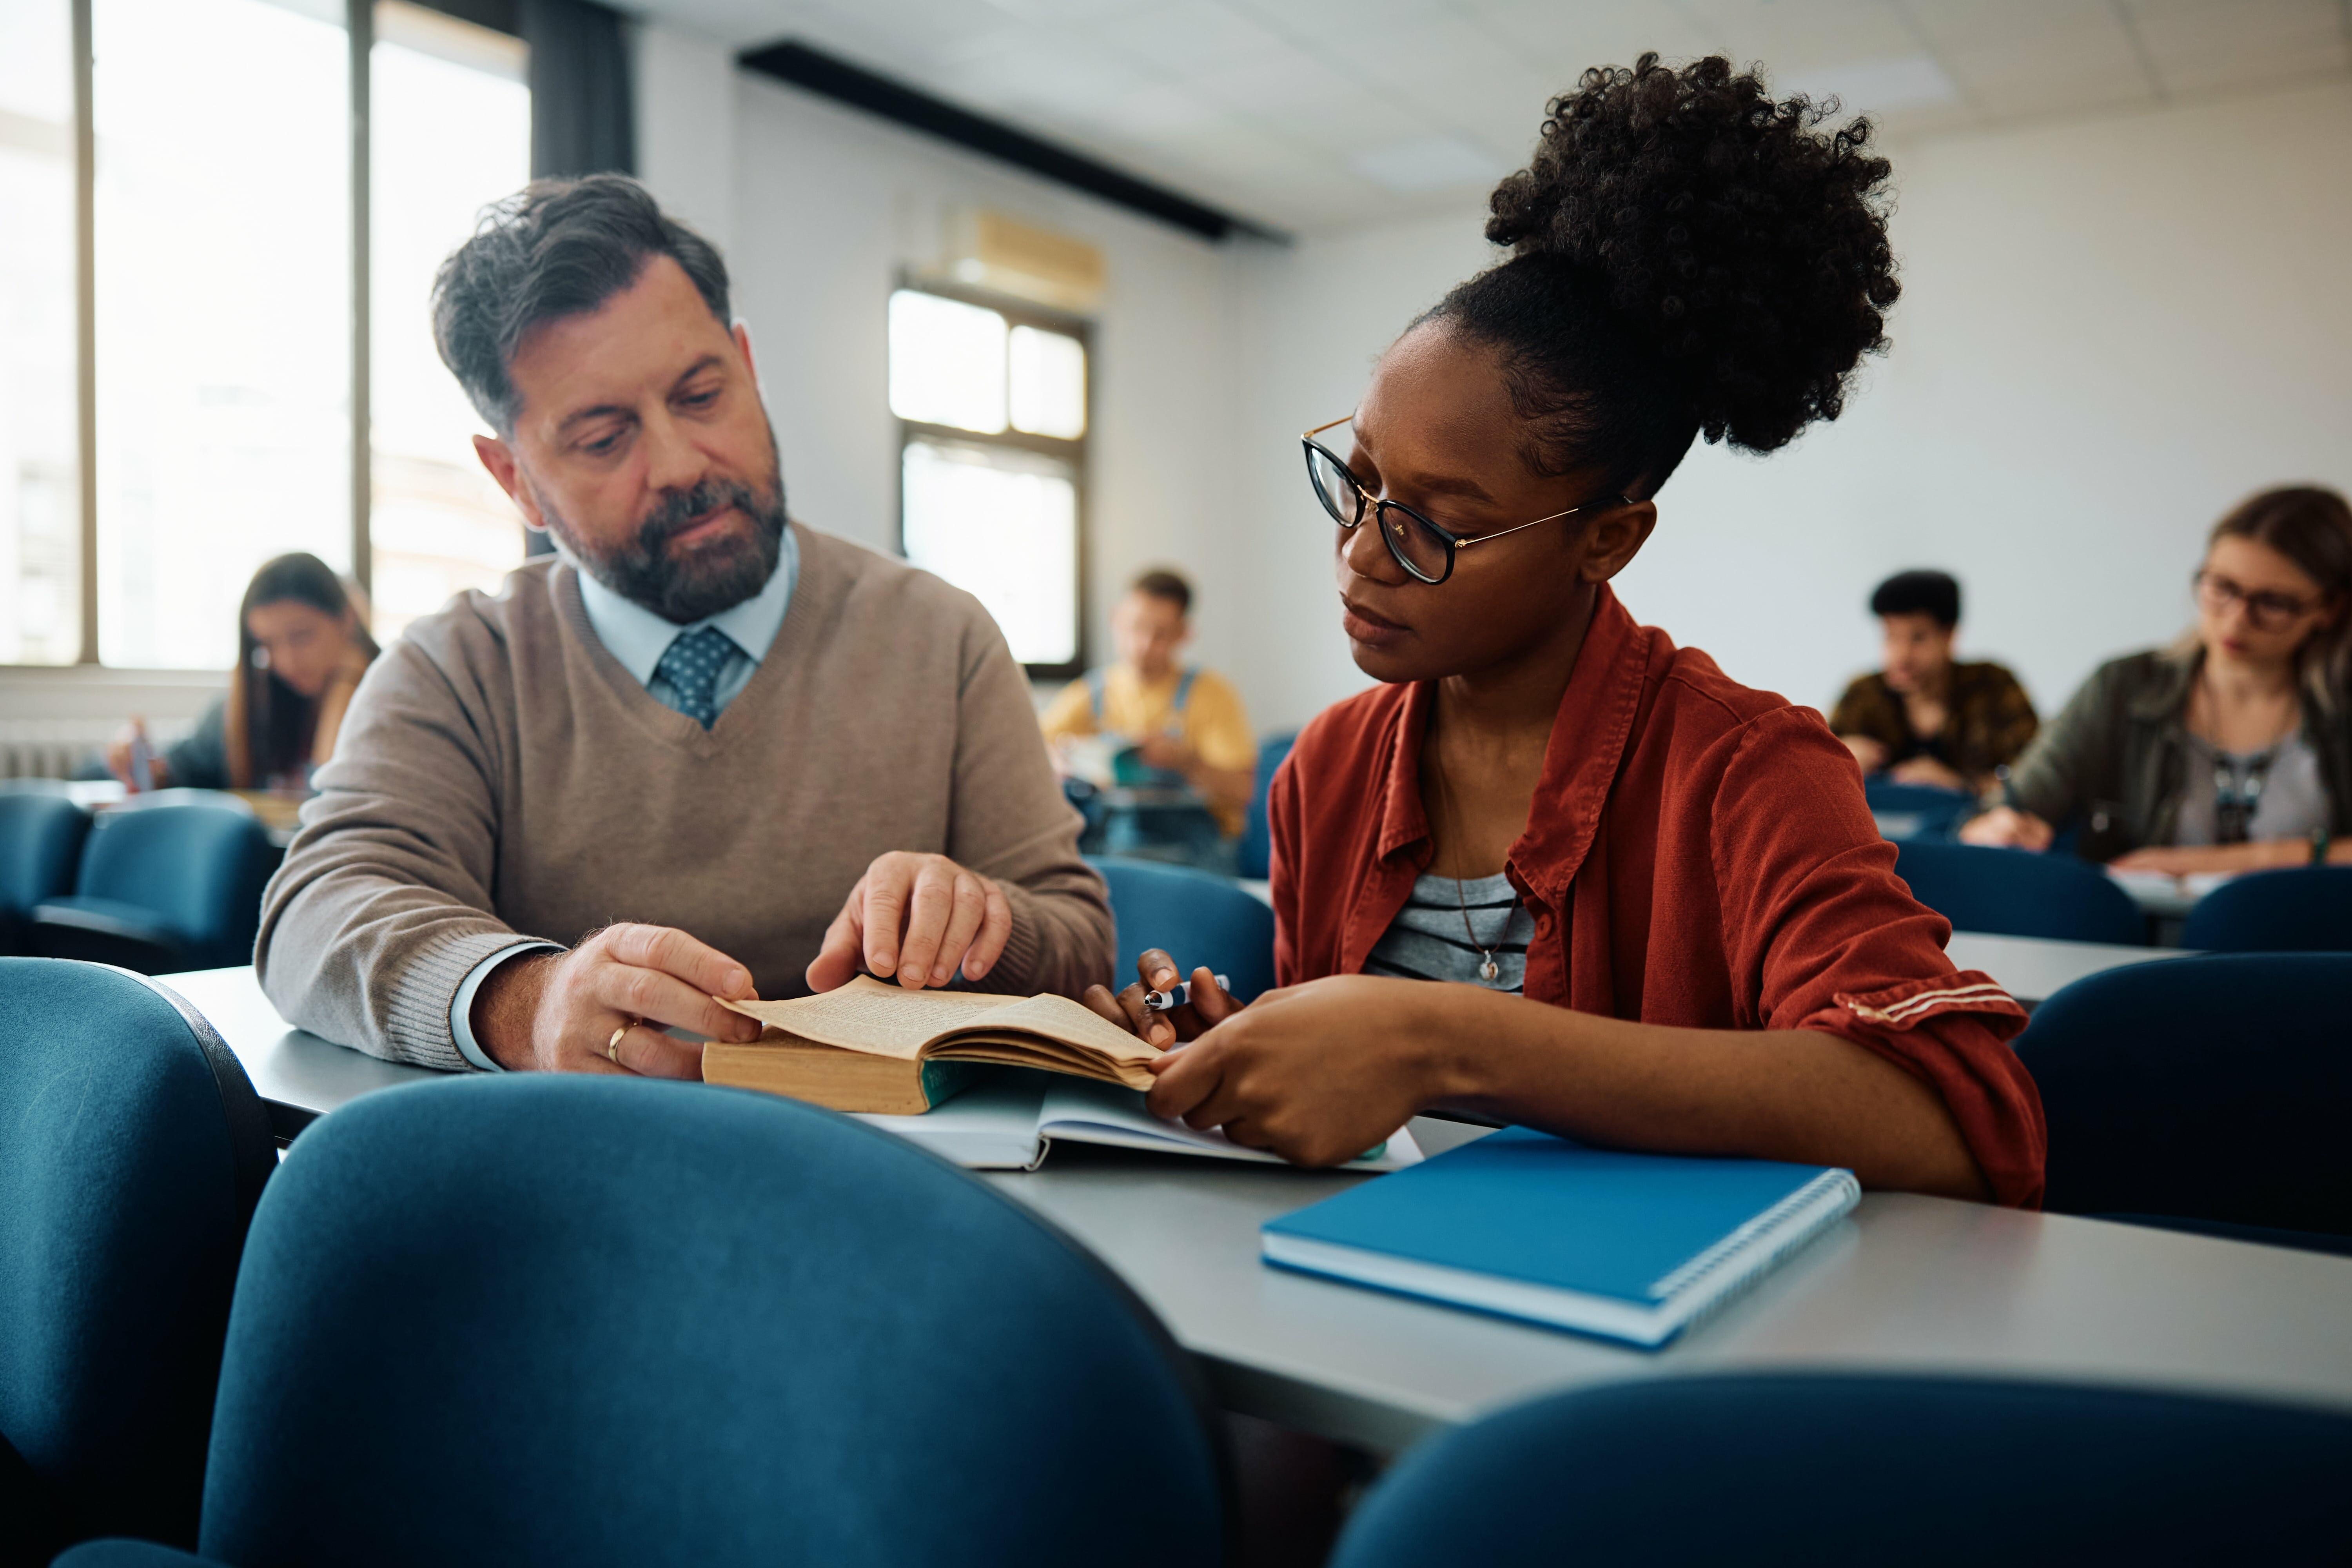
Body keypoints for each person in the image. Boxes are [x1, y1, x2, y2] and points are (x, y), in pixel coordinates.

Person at [1085, 55, 2045, 1206]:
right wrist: (1247, 1061)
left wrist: (1444, 1042)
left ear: (1606, 541)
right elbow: (1369, 1147)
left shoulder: (1747, 773)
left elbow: (1951, 1118)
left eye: (1435, 524)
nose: (1359, 552)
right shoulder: (1326, 770)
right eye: (1359, 482)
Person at [257, 175, 1111, 1076]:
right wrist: (526, 1001)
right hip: (581, 1151)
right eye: (603, 440)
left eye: (702, 395)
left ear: (746, 365)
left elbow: (1080, 935)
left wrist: (986, 921)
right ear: (515, 480)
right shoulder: (461, 667)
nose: (678, 464)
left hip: (893, 1155)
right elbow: (317, 911)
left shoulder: (942, 639)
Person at [1963, 486, 2352, 872]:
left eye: (2273, 603)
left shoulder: (2343, 702)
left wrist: (2209, 864)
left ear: (2330, 608)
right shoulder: (2123, 686)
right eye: (2222, 587)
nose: (2236, 620)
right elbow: (2008, 808)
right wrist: (1995, 827)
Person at [105, 553, 377, 793]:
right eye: (267, 644)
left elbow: (334, 801)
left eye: (301, 637)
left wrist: (346, 683)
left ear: (347, 619)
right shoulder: (252, 705)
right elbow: (181, 771)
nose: (287, 662)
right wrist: (141, 764)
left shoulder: (389, 703)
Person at [1040, 568, 1258, 861]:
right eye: (1136, 627)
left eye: (1160, 634)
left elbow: (1244, 790)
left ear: (1184, 633)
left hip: (1195, 854)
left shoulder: (1211, 695)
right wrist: (1060, 759)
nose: (1143, 644)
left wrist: (1186, 762)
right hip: (1110, 847)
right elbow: (1033, 745)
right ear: (1115, 619)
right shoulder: (1091, 694)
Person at [1829, 570, 2036, 795]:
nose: (1901, 656)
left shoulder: (1994, 687)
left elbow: (2038, 780)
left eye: (1918, 638)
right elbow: (1811, 777)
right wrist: (1837, 763)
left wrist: (1960, 784)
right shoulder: (1862, 695)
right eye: (1891, 636)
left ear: (1949, 635)